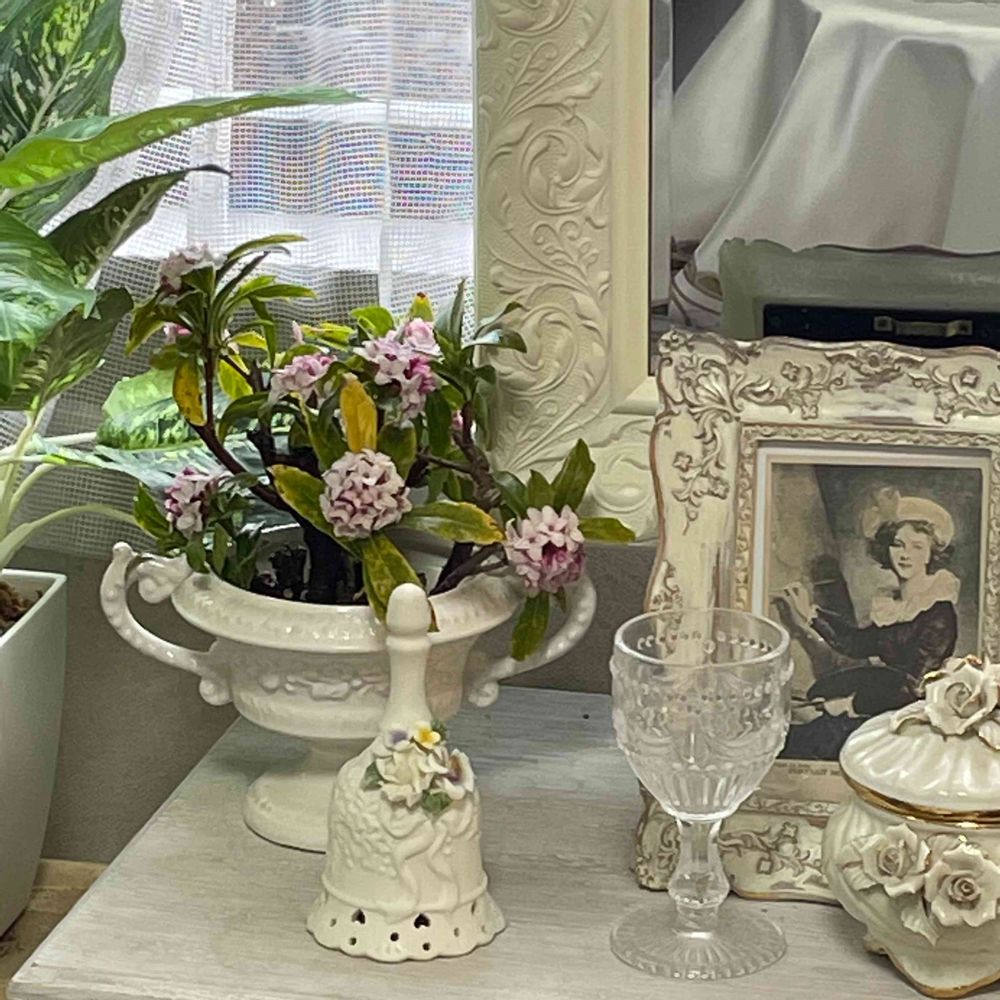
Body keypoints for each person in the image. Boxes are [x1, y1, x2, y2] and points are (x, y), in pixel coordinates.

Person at [774, 487, 959, 758]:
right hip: (878, 702)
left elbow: (915, 686)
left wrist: (850, 704)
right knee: (792, 736)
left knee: (811, 742)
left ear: (931, 554)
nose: (905, 554)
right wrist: (810, 614)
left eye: (917, 546)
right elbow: (858, 643)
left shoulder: (938, 613)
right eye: (897, 544)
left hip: (906, 719)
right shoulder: (892, 606)